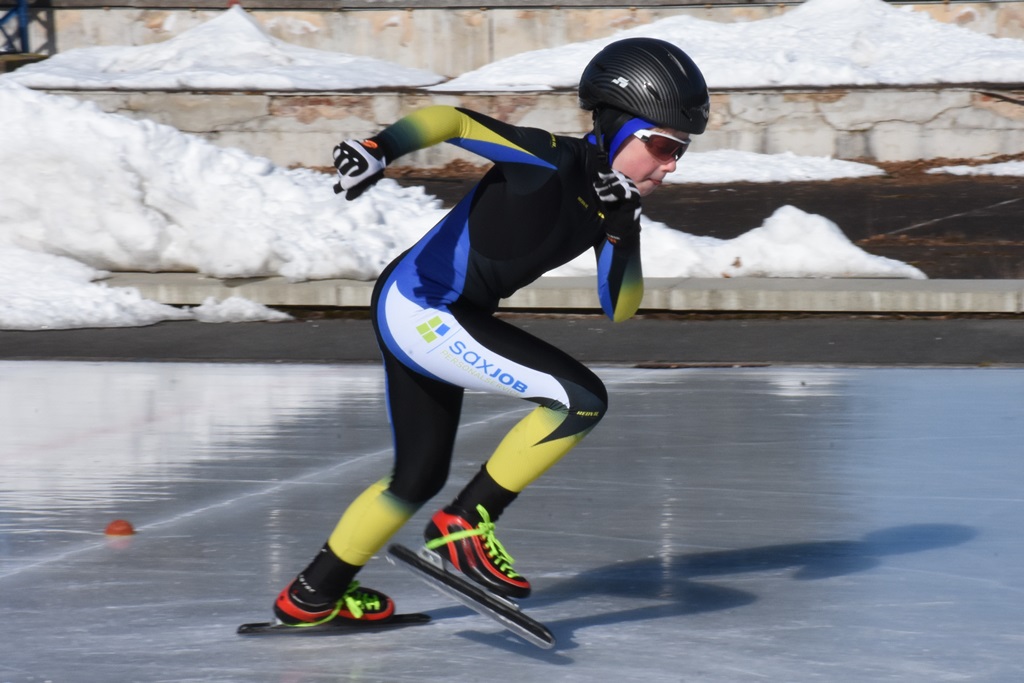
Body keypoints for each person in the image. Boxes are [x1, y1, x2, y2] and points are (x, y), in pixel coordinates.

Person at [272, 37, 710, 627]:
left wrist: (622, 227)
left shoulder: (614, 205)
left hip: (429, 307)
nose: (671, 163)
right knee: (579, 400)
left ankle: (312, 594)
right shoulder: (550, 159)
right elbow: (454, 121)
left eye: (681, 150)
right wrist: (380, 148)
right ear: (617, 129)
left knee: (417, 477)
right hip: (423, 305)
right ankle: (465, 524)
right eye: (661, 145)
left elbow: (620, 307)